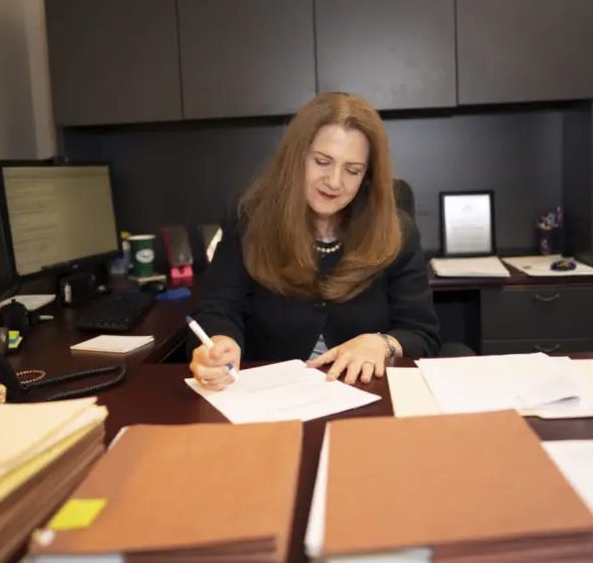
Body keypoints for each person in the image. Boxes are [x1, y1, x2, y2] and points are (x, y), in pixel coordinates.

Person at [187, 92, 441, 390]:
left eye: (352, 170)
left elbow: (423, 334)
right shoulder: (249, 218)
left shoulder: (397, 231)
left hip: (366, 394)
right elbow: (219, 308)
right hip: (269, 396)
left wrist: (383, 343)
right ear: (297, 157)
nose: (334, 181)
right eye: (322, 162)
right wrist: (219, 344)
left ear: (367, 176)